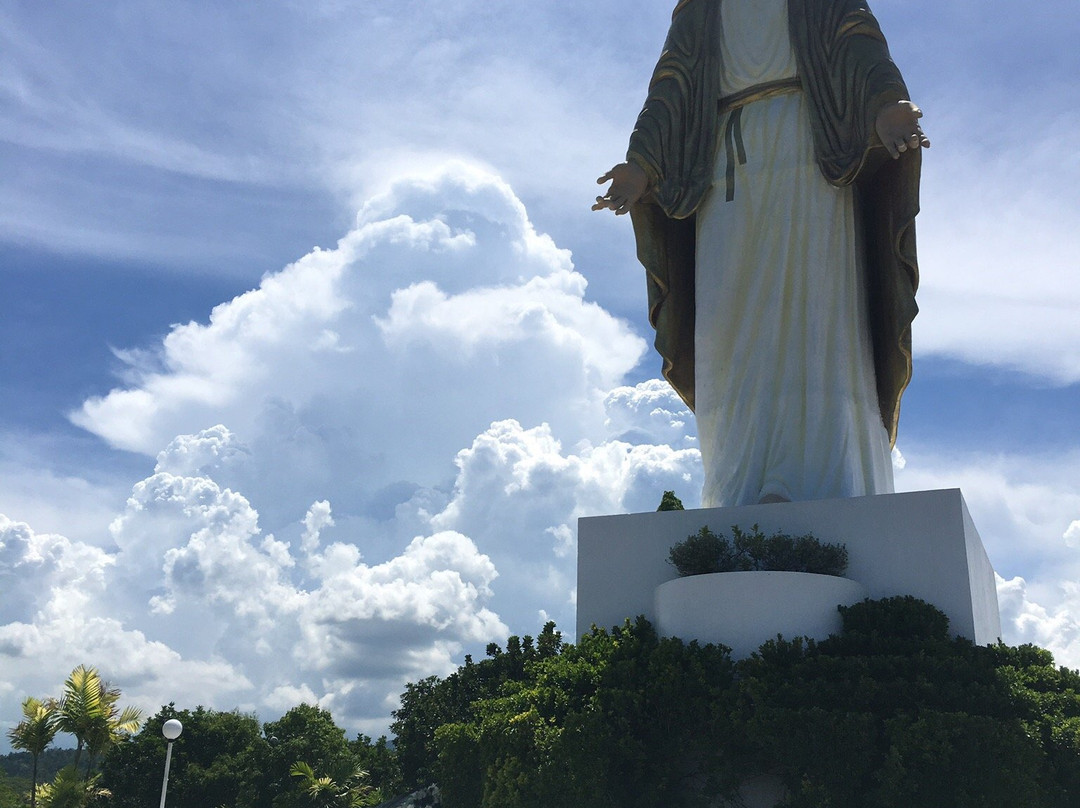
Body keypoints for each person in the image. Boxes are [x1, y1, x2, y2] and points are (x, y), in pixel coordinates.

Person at [593, 0, 928, 508]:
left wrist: (887, 103)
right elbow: (672, 84)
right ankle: (738, 482)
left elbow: (856, 41)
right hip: (723, 164)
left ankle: (824, 479)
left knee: (815, 307)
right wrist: (641, 163)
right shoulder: (700, 7)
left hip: (810, 150)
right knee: (728, 323)